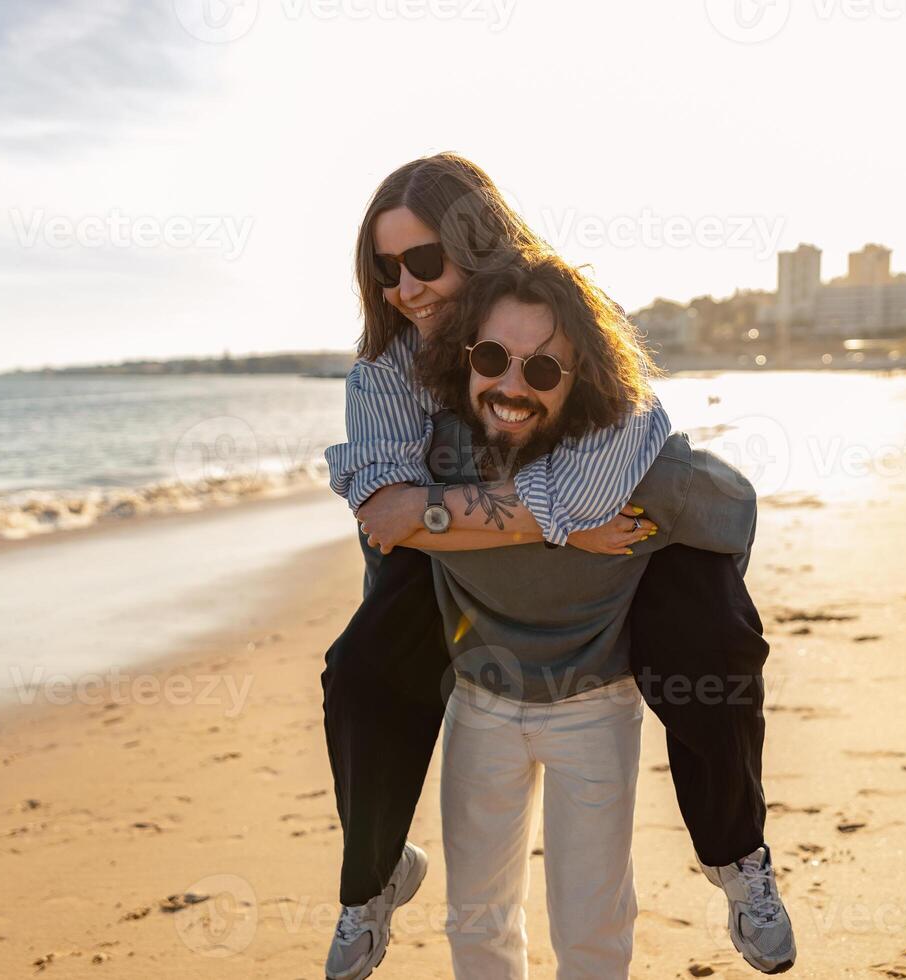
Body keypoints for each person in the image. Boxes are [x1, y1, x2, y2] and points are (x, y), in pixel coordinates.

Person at [321, 154, 787, 979]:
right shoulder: (387, 372)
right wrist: (559, 524)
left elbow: (595, 482)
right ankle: (375, 871)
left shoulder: (556, 316)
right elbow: (385, 510)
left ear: (475, 241)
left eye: (423, 261)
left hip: (645, 548)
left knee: (713, 642)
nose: (406, 287)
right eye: (385, 270)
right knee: (360, 670)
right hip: (472, 614)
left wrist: (458, 511)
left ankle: (736, 854)